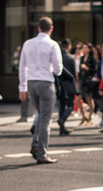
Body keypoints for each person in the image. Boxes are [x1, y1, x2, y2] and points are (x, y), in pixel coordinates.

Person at [18, 16, 63, 164]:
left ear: (38, 28)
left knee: (41, 115)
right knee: (45, 118)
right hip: (46, 83)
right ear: (51, 29)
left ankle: (35, 146)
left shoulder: (28, 43)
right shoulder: (52, 45)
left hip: (31, 83)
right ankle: (42, 153)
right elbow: (58, 70)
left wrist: (22, 87)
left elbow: (22, 66)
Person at [58, 38, 77, 136]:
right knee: (70, 106)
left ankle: (62, 128)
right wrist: (75, 88)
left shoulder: (59, 57)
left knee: (62, 106)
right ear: (69, 46)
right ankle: (62, 120)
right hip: (69, 85)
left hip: (60, 85)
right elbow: (73, 75)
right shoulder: (70, 58)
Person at [78, 43, 98, 127]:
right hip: (82, 80)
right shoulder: (82, 58)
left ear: (89, 49)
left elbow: (95, 70)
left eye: (86, 48)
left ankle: (90, 118)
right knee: (78, 98)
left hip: (89, 80)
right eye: (83, 48)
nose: (84, 49)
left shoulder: (92, 58)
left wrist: (87, 68)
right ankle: (84, 116)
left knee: (89, 99)